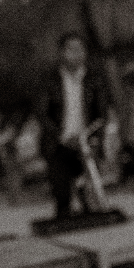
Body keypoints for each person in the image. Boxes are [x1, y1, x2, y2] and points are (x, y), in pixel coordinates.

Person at [37, 31, 110, 219]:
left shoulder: (94, 79)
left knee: (90, 197)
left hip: (86, 143)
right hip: (58, 144)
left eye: (80, 49)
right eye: (71, 49)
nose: (76, 54)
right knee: (62, 195)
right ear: (62, 52)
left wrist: (95, 138)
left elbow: (102, 113)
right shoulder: (49, 80)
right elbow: (42, 114)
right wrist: (61, 136)